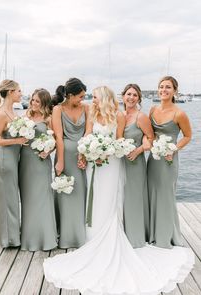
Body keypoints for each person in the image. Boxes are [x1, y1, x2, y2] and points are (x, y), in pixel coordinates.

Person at [43, 85, 194, 295]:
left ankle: (112, 232)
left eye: (95, 97)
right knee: (93, 198)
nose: (92, 100)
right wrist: (85, 152)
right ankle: (93, 235)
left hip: (111, 163)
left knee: (109, 197)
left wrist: (108, 151)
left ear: (104, 98)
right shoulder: (91, 113)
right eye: (91, 97)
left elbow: (119, 140)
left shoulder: (119, 116)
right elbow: (87, 134)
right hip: (94, 163)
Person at [147, 76, 192, 249]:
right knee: (151, 193)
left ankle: (165, 235)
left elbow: (187, 136)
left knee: (165, 196)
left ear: (175, 91)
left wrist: (173, 149)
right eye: (161, 87)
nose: (163, 90)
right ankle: (151, 232)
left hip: (168, 161)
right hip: (153, 159)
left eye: (168, 87)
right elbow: (149, 134)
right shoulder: (152, 110)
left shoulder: (179, 113)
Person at [19, 88, 58, 251]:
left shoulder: (49, 119)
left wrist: (47, 150)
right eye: (33, 100)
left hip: (41, 162)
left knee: (43, 197)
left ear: (44, 103)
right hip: (25, 161)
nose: (34, 103)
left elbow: (56, 140)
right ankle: (29, 236)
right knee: (28, 197)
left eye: (38, 101)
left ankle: (46, 237)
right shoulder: (24, 117)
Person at [0, 79, 28, 247]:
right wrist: (17, 141)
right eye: (19, 91)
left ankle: (13, 234)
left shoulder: (12, 111)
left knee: (12, 198)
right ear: (11, 92)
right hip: (5, 159)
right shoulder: (1, 114)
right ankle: (8, 238)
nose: (21, 93)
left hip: (14, 158)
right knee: (7, 198)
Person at [52, 77, 88, 248]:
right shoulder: (58, 109)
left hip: (81, 155)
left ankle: (79, 233)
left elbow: (88, 132)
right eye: (80, 96)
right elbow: (58, 136)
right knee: (65, 193)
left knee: (80, 192)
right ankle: (64, 234)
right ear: (70, 95)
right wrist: (60, 161)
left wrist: (84, 154)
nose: (83, 99)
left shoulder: (86, 108)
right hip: (64, 155)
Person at [122, 84, 154, 248]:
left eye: (135, 95)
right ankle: (121, 234)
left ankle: (135, 237)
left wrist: (139, 149)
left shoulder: (141, 117)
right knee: (121, 198)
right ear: (123, 96)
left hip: (135, 163)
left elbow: (150, 138)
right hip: (120, 163)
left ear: (139, 99)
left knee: (133, 198)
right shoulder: (119, 115)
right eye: (129, 94)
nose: (131, 97)